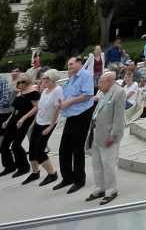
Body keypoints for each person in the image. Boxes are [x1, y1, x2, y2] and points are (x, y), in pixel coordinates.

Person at [53, 56, 95, 193]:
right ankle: (67, 177)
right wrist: (62, 103)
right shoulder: (71, 78)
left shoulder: (86, 75)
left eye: (71, 64)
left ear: (79, 63)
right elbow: (66, 96)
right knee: (64, 149)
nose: (69, 66)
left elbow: (87, 95)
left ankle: (79, 180)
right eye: (68, 64)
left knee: (77, 149)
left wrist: (69, 102)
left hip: (82, 115)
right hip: (70, 116)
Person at [86, 71, 126, 205]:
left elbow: (119, 117)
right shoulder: (103, 92)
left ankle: (111, 191)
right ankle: (100, 188)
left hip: (109, 134)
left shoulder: (118, 92)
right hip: (97, 132)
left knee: (109, 164)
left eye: (101, 82)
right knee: (96, 163)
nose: (98, 85)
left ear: (110, 81)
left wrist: (113, 135)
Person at [23, 70, 61, 185]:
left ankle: (52, 174)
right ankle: (35, 173)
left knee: (39, 150)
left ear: (53, 79)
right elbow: (40, 108)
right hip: (39, 122)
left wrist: (50, 126)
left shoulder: (57, 90)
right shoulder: (44, 91)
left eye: (46, 79)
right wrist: (34, 122)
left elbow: (57, 109)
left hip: (48, 123)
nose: (43, 81)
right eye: (43, 79)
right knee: (32, 148)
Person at [0, 76, 39, 177]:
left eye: (23, 82)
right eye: (18, 83)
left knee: (16, 145)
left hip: (24, 121)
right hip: (14, 120)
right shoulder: (19, 93)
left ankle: (23, 167)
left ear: (27, 82)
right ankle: (9, 166)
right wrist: (7, 121)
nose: (20, 84)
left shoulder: (32, 92)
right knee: (4, 145)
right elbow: (15, 110)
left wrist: (24, 118)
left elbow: (36, 108)